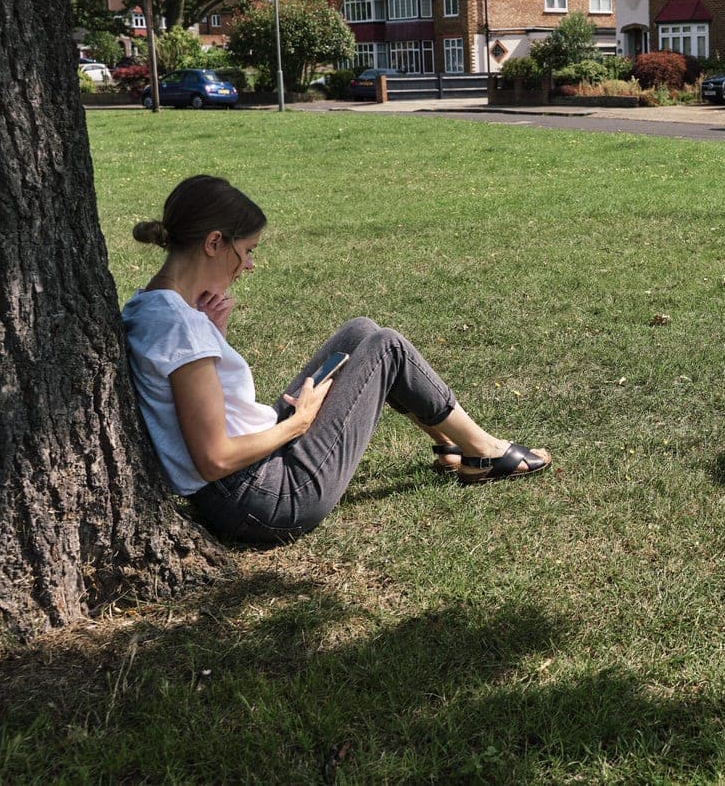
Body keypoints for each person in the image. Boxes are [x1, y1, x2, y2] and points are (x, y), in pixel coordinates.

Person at [121, 175, 551, 545]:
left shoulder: (151, 305)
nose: (249, 265)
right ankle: (485, 452)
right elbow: (213, 459)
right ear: (214, 242)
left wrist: (214, 335)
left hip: (249, 475)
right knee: (388, 347)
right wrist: (298, 423)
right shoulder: (180, 328)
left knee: (361, 331)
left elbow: (197, 399)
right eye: (248, 250)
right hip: (264, 499)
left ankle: (450, 445)